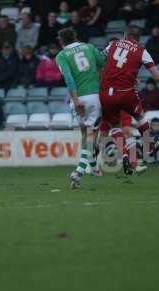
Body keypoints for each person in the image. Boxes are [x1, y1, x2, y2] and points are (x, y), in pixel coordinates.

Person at [100, 26, 159, 174]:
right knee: (140, 117)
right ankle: (149, 146)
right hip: (126, 93)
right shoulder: (141, 51)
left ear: (126, 35)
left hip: (106, 93)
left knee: (115, 126)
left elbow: (101, 61)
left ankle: (126, 156)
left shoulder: (113, 44)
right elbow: (156, 76)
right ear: (139, 37)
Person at [56, 28, 105, 188]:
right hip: (94, 96)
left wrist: (75, 100)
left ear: (61, 40)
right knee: (92, 134)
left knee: (85, 132)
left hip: (78, 98)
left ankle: (93, 166)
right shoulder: (89, 47)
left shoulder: (62, 56)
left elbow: (69, 78)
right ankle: (79, 171)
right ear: (75, 36)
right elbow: (103, 62)